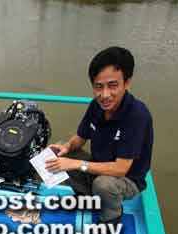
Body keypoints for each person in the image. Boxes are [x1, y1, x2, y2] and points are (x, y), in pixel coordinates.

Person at [46, 47, 153, 223]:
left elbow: (120, 169)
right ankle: (87, 199)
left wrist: (75, 163)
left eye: (112, 86)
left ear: (127, 83)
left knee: (103, 184)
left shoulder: (137, 115)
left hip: (127, 179)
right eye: (98, 86)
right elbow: (79, 138)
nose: (104, 95)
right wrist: (66, 147)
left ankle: (110, 220)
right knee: (58, 155)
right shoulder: (96, 106)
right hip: (99, 166)